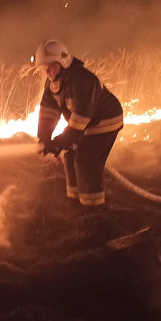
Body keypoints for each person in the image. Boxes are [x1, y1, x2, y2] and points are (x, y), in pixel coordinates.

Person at [34, 39, 123, 206]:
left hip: (105, 122)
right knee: (70, 157)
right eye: (44, 66)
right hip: (84, 126)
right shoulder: (53, 83)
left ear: (63, 61)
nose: (47, 70)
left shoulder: (82, 80)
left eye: (51, 64)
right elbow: (48, 112)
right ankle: (75, 203)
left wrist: (60, 141)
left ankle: (94, 210)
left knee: (85, 161)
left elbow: (81, 117)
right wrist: (44, 138)